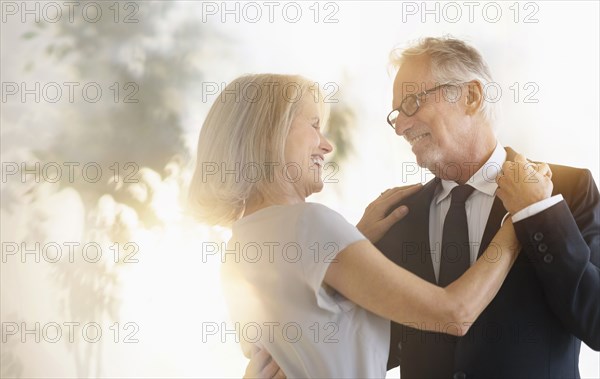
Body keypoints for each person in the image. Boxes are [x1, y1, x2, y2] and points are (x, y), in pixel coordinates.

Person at [245, 37, 600, 378]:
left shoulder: (567, 192)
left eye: (412, 103)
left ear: (471, 97)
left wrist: (540, 213)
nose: (400, 126)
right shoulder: (397, 216)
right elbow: (375, 346)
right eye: (396, 114)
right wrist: (291, 362)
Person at [189, 73, 553, 378]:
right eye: (314, 125)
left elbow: (317, 334)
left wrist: (353, 240)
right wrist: (519, 218)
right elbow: (454, 314)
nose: (326, 145)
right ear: (270, 132)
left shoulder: (242, 243)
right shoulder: (310, 224)